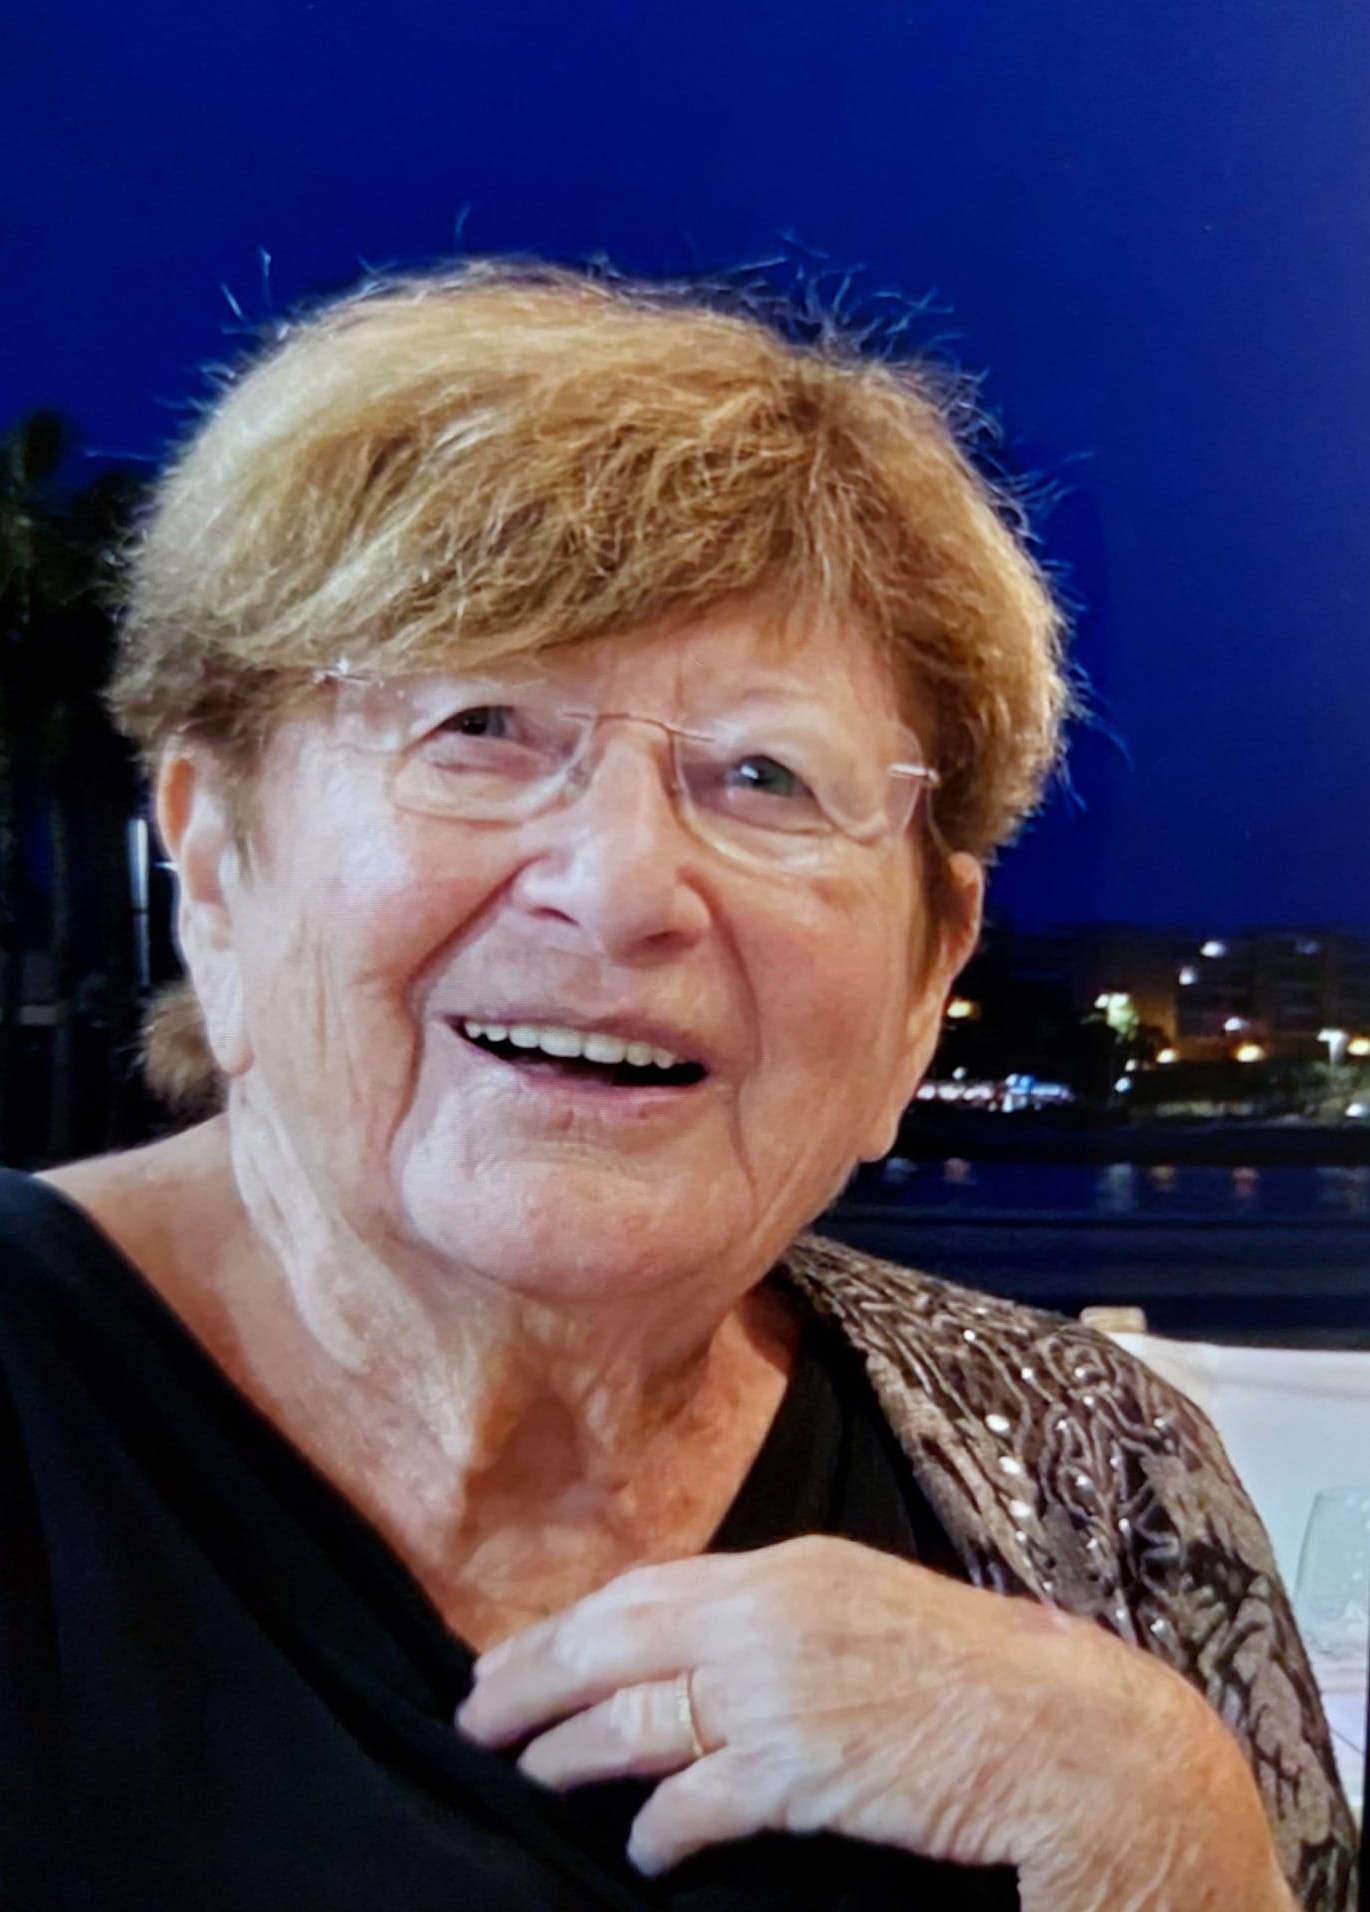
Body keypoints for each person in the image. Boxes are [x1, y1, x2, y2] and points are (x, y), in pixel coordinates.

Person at [0, 263, 1355, 1912]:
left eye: (766, 776)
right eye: (482, 727)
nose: (624, 883)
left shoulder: (1101, 1469)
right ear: (216, 865)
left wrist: (1165, 1829)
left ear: (926, 974)